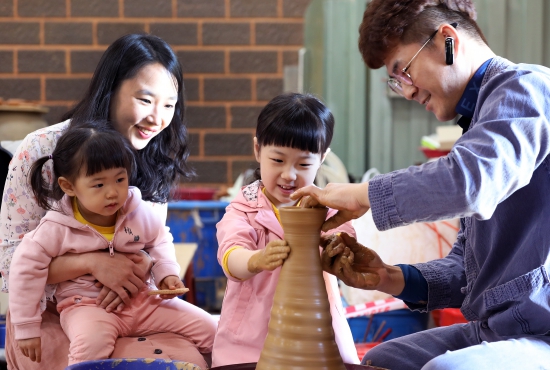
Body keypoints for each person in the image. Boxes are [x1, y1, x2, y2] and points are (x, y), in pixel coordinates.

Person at [291, 0, 550, 369]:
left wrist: (360, 194)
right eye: (397, 82)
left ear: (448, 40)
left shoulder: (530, 90)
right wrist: (386, 276)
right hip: (497, 330)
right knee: (384, 360)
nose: (407, 92)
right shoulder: (477, 129)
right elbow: (468, 272)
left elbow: (468, 183)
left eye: (404, 72)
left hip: (542, 332)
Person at [0, 34, 216, 370]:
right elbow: (11, 268)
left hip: (135, 303)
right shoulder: (44, 149)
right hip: (52, 311)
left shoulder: (154, 155)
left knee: (199, 352)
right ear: (111, 89)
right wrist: (93, 264)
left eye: (169, 105)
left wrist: (149, 269)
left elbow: (152, 239)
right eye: (145, 100)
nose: (158, 119)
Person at [10, 126, 203, 365]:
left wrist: (166, 273)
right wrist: (26, 328)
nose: (113, 193)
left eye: (120, 179)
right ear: (69, 186)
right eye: (99, 185)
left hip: (143, 301)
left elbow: (159, 239)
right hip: (87, 307)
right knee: (89, 348)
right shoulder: (55, 228)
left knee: (212, 330)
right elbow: (24, 270)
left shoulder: (137, 211)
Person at [212, 93, 359, 366]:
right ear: (258, 150)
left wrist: (339, 247)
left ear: (322, 158)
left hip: (318, 332)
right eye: (278, 160)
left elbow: (347, 240)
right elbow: (230, 256)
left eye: (303, 164)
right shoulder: (245, 208)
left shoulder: (328, 208)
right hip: (252, 337)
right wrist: (256, 260)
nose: (289, 174)